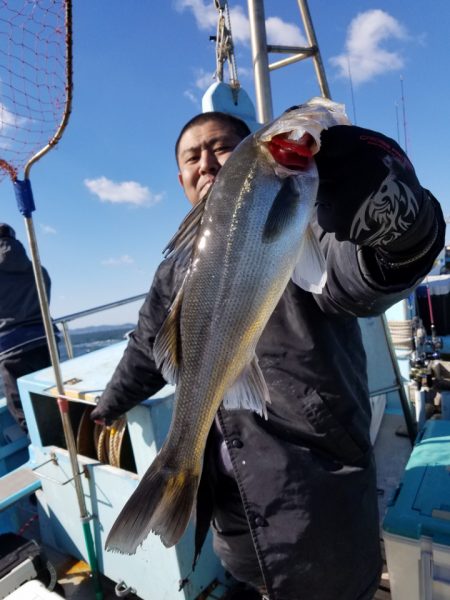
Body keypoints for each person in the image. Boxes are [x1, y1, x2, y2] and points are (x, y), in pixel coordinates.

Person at [90, 111, 445, 600]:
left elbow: (358, 277)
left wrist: (403, 227)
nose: (207, 162)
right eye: (192, 156)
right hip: (234, 519)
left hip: (318, 505)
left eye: (221, 148)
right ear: (180, 179)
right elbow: (147, 348)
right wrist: (107, 405)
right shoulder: (174, 269)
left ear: (246, 156)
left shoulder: (311, 221)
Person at [0, 224, 53, 433]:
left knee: (24, 413)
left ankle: (47, 452)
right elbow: (44, 297)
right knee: (49, 394)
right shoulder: (38, 269)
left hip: (11, 347)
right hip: (43, 339)